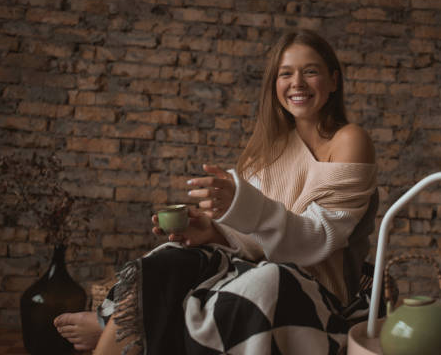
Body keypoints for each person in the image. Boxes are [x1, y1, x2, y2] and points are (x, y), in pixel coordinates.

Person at [54, 29, 377, 354]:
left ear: (334, 81)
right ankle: (116, 328)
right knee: (171, 257)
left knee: (265, 283)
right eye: (286, 73)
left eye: (310, 71)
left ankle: (111, 323)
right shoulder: (269, 149)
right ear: (273, 84)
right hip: (263, 264)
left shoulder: (349, 140)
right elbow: (257, 239)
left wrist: (246, 208)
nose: (297, 83)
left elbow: (317, 240)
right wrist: (214, 232)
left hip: (318, 287)